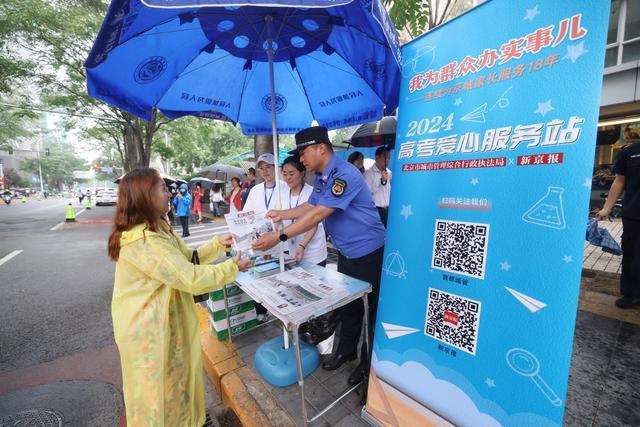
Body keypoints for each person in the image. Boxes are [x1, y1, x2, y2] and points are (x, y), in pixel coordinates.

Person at [107, 168, 251, 427]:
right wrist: (232, 267)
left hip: (165, 327)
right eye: (163, 188)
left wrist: (218, 244)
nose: (170, 193)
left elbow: (186, 260)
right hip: (151, 335)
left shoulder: (159, 227)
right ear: (145, 196)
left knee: (176, 386)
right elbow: (190, 277)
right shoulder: (144, 241)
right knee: (159, 396)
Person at [252, 126, 386, 389]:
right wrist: (282, 214)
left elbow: (318, 214)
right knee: (349, 308)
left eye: (303, 153)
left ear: (321, 148)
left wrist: (278, 237)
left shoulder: (343, 175)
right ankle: (346, 351)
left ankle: (366, 369)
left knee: (370, 314)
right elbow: (309, 206)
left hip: (370, 253)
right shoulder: (324, 177)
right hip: (348, 254)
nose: (301, 159)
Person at [596, 125, 640, 309]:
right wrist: (607, 208)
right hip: (634, 214)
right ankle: (631, 294)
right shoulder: (630, 152)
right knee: (631, 255)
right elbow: (619, 180)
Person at [281, 155, 327, 265]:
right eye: (284, 174)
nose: (288, 178)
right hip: (293, 251)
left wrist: (302, 245)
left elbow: (314, 222)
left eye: (292, 174)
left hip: (313, 253)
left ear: (302, 173)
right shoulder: (281, 193)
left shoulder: (312, 194)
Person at [364, 146, 392, 227]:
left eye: (389, 158)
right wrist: (381, 181)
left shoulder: (389, 172)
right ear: (377, 157)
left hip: (388, 209)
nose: (387, 160)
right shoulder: (369, 173)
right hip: (376, 210)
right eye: (385, 157)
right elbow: (367, 193)